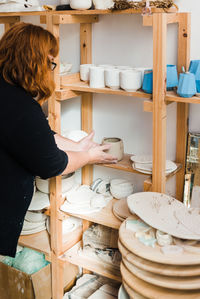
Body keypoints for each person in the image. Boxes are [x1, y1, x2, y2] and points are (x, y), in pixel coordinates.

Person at [0, 22, 117, 257]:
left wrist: (76, 146)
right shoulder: (21, 107)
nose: (51, 70)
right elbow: (52, 164)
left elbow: (36, 135)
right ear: (33, 61)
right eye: (51, 63)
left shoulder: (7, 92)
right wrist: (87, 156)